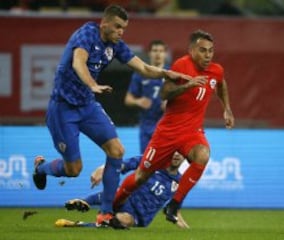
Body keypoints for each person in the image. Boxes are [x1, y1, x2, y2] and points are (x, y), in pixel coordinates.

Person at [32, 4, 193, 226]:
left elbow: (144, 68)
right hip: (63, 108)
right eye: (117, 27)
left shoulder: (115, 45)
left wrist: (166, 73)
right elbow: (78, 62)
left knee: (117, 150)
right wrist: (92, 84)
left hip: (87, 105)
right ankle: (41, 168)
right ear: (104, 23)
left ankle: (105, 212)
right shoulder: (87, 33)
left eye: (124, 28)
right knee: (73, 170)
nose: (121, 32)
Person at [113, 29, 235, 224]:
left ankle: (174, 205)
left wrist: (227, 108)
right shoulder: (181, 65)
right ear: (192, 50)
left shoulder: (216, 70)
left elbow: (221, 84)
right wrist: (188, 85)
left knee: (203, 156)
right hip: (168, 132)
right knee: (141, 176)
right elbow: (164, 93)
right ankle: (114, 205)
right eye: (203, 51)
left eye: (211, 51)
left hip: (192, 132)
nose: (208, 55)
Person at [64, 152, 189, 229]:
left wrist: (182, 226)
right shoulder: (151, 162)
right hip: (125, 199)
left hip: (138, 216)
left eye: (180, 153)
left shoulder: (180, 183)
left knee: (123, 220)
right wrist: (103, 169)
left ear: (185, 157)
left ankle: (81, 225)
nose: (177, 155)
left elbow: (174, 208)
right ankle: (84, 202)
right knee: (119, 192)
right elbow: (123, 164)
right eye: (174, 151)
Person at [124, 40, 168, 153]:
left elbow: (183, 98)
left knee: (164, 162)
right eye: (155, 50)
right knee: (145, 162)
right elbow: (128, 99)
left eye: (161, 51)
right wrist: (138, 101)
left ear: (165, 54)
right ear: (149, 53)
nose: (158, 54)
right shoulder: (141, 73)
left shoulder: (171, 74)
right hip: (146, 125)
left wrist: (171, 103)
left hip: (166, 125)